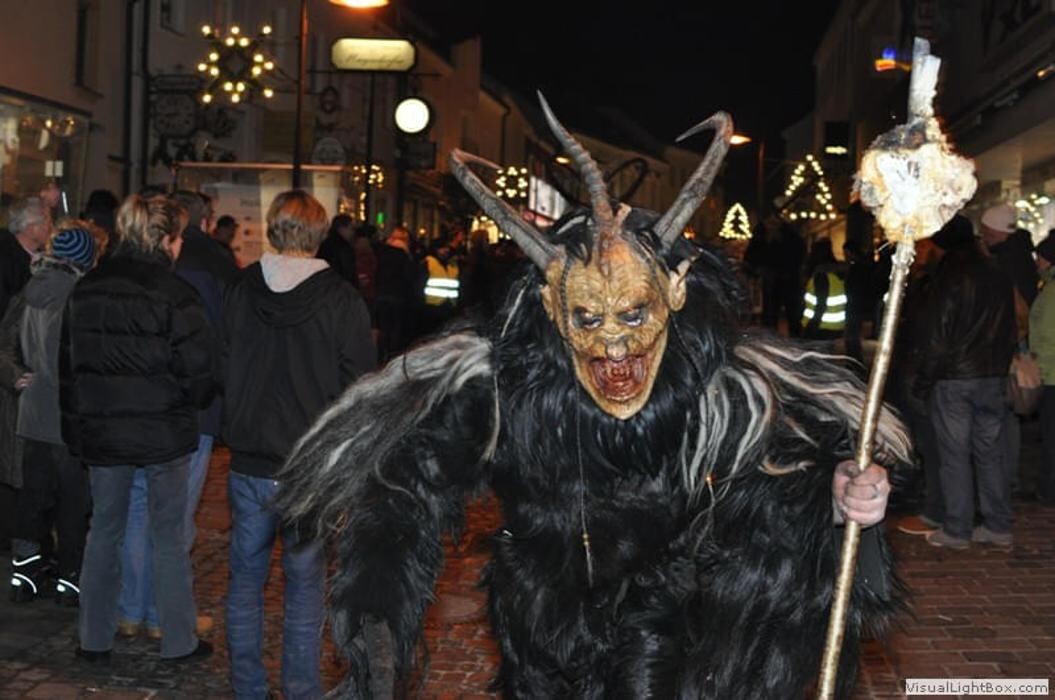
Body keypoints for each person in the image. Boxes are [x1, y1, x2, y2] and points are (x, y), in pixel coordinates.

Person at [274, 100, 908, 698]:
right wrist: (379, 609)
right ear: (554, 307)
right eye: (587, 316)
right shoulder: (504, 384)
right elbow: (411, 483)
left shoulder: (716, 391)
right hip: (536, 621)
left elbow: (780, 489)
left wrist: (841, 494)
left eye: (634, 315)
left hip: (660, 624)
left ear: (674, 296)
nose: (612, 346)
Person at [222, 190, 375, 699]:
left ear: (272, 228)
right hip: (308, 466)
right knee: (305, 583)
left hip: (249, 459)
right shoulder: (340, 299)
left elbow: (223, 362)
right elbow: (359, 386)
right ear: (318, 233)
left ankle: (248, 687)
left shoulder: (241, 289)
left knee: (246, 578)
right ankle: (301, 688)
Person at [62, 194, 215, 663]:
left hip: (103, 432)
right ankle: (177, 640)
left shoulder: (86, 288)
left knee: (103, 531)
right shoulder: (176, 295)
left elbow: (69, 368)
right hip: (163, 433)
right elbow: (200, 375)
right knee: (168, 537)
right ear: (166, 240)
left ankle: (94, 637)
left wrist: (77, 429)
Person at [115, 190, 233, 640]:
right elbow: (207, 353)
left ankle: (130, 609)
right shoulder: (200, 278)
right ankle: (164, 615)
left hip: (132, 411)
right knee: (173, 516)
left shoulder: (118, 277)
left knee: (138, 509)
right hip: (184, 416)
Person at [1, 223, 98, 604]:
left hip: (31, 415)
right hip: (69, 418)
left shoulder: (29, 290)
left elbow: (5, 344)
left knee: (32, 499)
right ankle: (70, 580)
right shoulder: (80, 296)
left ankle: (25, 574)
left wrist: (15, 376)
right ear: (84, 259)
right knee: (73, 503)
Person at [913, 215, 1016, 549]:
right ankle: (998, 525)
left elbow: (938, 333)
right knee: (990, 453)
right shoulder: (997, 272)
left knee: (954, 455)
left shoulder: (951, 275)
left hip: (955, 377)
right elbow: (1011, 326)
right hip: (992, 374)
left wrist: (925, 378)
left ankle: (957, 529)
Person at [1029, 231, 1055, 505]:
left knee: (1051, 438)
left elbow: (1046, 335)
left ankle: (1049, 490)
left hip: (1052, 376)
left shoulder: (1051, 291)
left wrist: (1034, 362)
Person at [374, 226, 420, 362]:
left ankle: (381, 356)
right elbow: (410, 279)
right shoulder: (403, 256)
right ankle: (392, 358)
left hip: (381, 297)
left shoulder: (380, 252)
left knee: (383, 331)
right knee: (396, 333)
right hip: (398, 299)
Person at [801, 238, 848, 341]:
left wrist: (810, 328)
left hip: (819, 327)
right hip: (835, 327)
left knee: (816, 355)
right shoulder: (836, 273)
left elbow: (821, 304)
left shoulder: (821, 275)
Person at [316, 214, 357, 288]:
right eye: (352, 229)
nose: (353, 233)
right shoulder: (344, 247)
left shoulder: (323, 244)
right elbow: (348, 272)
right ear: (342, 228)